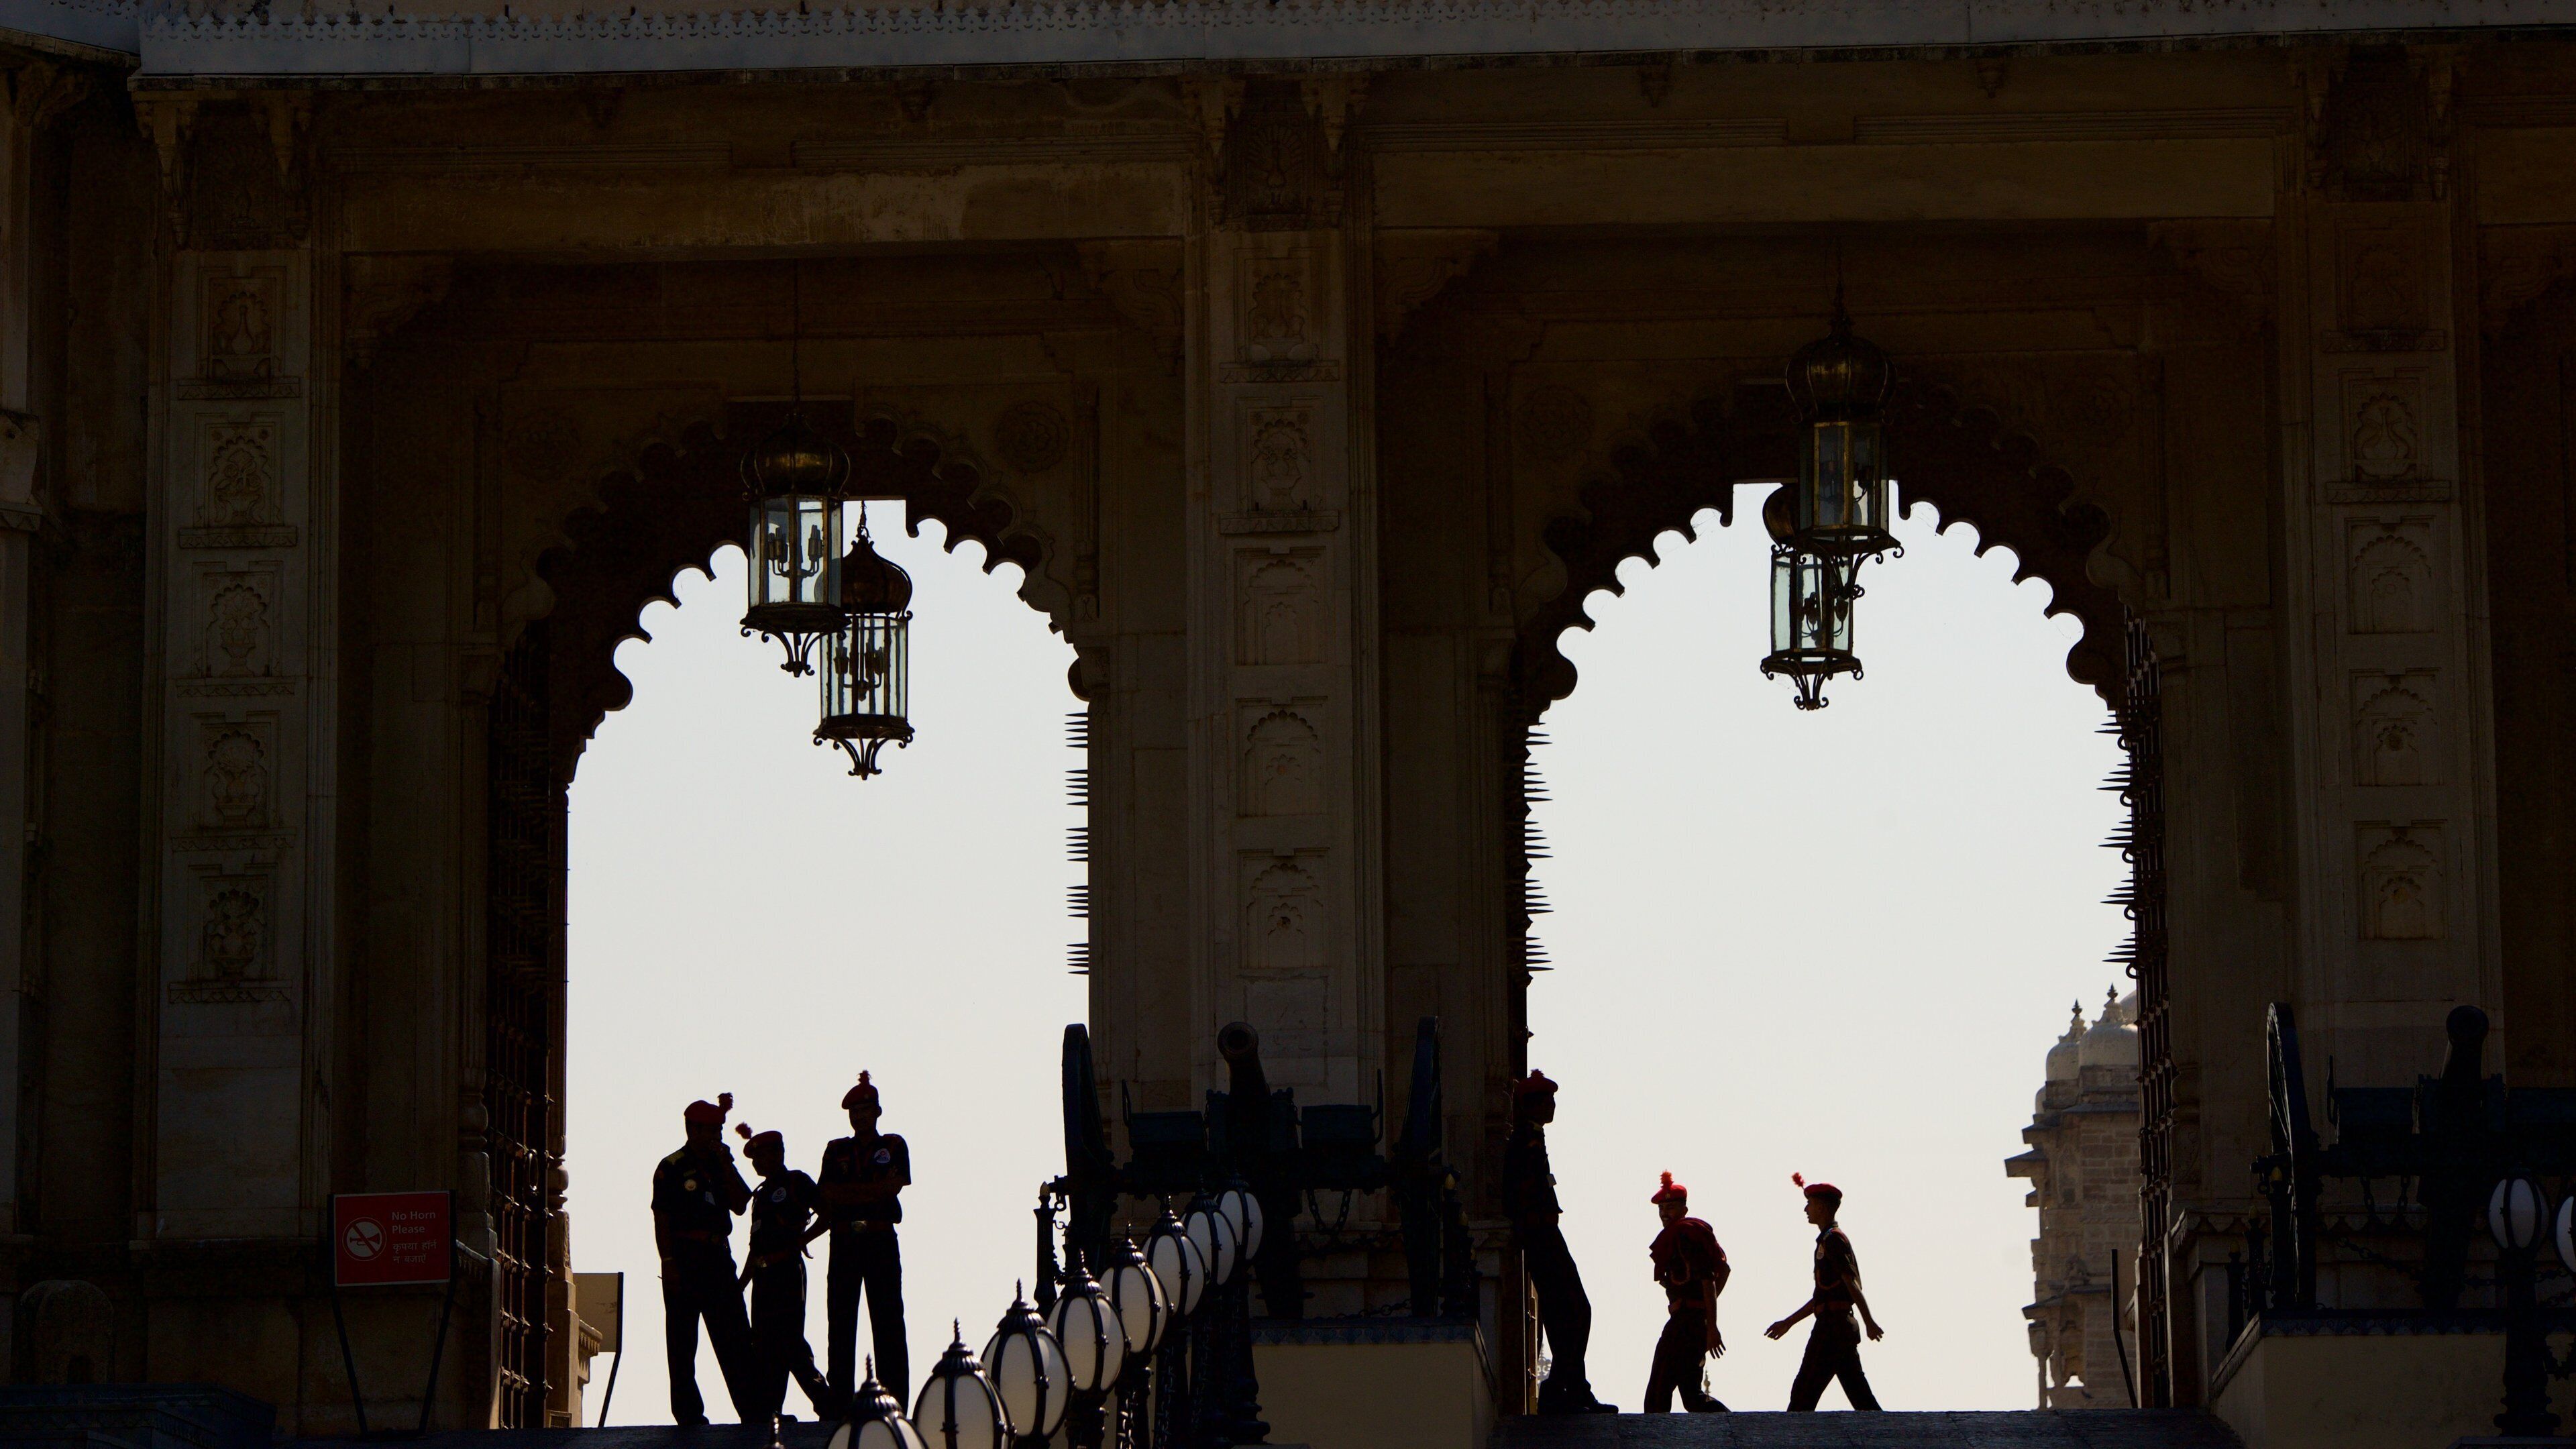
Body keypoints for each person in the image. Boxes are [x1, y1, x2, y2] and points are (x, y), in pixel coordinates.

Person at [1502, 1069, 1613, 1414]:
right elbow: (1518, 1193)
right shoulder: (1525, 1141)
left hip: (1545, 1233)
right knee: (1574, 1310)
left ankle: (1567, 1388)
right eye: (1547, 1100)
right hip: (1541, 1235)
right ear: (1532, 1105)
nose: (1552, 1106)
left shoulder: (1533, 1139)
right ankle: (1567, 1389)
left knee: (1569, 1312)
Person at [653, 1093, 759, 1425]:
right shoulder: (671, 1167)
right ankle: (688, 1413)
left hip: (718, 1258)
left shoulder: (719, 1165)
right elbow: (662, 1218)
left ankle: (754, 1411)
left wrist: (726, 1164)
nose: (716, 1138)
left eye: (719, 1132)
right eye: (710, 1131)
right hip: (685, 1258)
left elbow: (742, 1203)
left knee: (737, 1339)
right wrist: (668, 1262)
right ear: (692, 1130)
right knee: (683, 1342)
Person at [815, 1071, 911, 1402]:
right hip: (844, 1242)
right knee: (840, 1324)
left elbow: (893, 1188)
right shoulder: (836, 1149)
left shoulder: (893, 1145)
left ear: (877, 1112)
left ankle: (895, 1400)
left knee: (888, 1322)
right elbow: (826, 1193)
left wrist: (849, 1194)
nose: (859, 1117)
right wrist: (872, 1192)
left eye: (865, 1111)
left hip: (880, 1240)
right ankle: (839, 1402)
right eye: (854, 1112)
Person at [736, 1123, 835, 1422]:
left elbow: (827, 1214)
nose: (756, 1162)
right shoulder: (762, 1195)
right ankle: (771, 1411)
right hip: (764, 1276)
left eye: (762, 1155)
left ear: (778, 1154)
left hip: (787, 1271)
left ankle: (826, 1402)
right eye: (754, 1158)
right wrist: (740, 1284)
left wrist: (802, 1240)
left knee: (790, 1341)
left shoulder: (796, 1182)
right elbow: (755, 1248)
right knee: (764, 1344)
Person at [1764, 1173, 1884, 1411]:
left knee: (1802, 1394)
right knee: (1860, 1397)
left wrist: (1869, 1321)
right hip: (1837, 1326)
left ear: (1822, 1207)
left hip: (1833, 1328)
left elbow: (1851, 1284)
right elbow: (1822, 1297)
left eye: (1810, 1204)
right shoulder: (1826, 1241)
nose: (1806, 1209)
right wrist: (1788, 1323)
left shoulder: (1834, 1241)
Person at [1643, 1172, 1729, 1413]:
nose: (1664, 1214)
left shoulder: (1685, 1235)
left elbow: (1708, 1280)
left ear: (1684, 1209)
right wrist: (1704, 1312)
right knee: (1692, 1397)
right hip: (1691, 1322)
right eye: (1661, 1208)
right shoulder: (1684, 1234)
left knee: (1657, 1396)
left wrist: (1710, 1325)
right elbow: (1725, 1270)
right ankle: (1732, 1427)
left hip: (1684, 1326)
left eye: (1670, 1207)